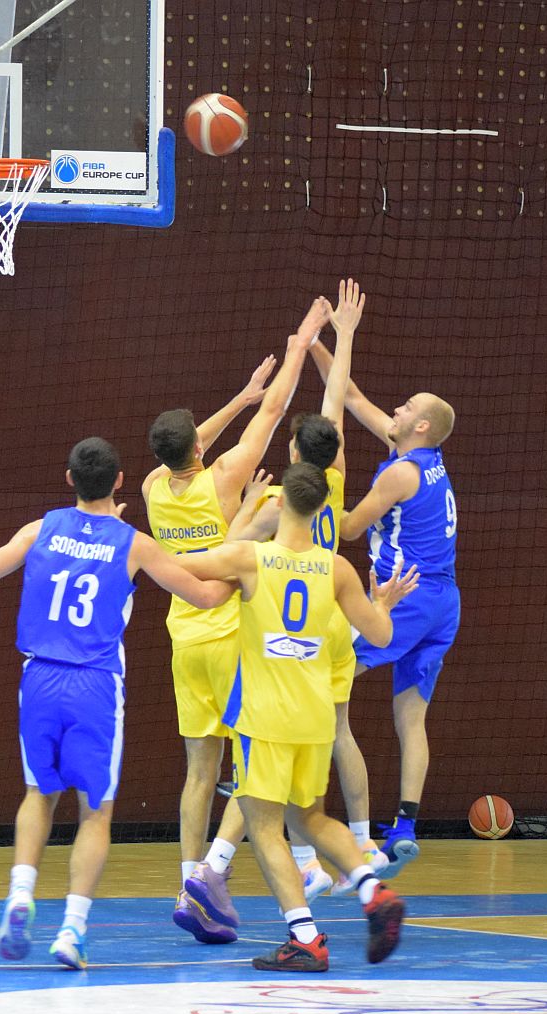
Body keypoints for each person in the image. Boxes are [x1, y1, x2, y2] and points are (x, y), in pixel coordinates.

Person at [0, 437, 232, 970]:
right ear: (120, 482)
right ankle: (72, 930)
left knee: (39, 794)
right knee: (95, 812)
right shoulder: (134, 544)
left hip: (39, 679)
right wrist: (248, 565)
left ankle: (19, 895)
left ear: (69, 479)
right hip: (95, 686)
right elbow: (205, 595)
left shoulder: (40, 530)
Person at [188, 280, 390, 910]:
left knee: (262, 767)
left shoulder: (278, 502)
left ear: (293, 454)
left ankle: (225, 867)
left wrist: (244, 509)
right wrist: (345, 335)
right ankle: (350, 848)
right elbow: (335, 405)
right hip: (334, 622)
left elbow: (226, 554)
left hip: (284, 630)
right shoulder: (334, 482)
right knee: (330, 742)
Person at [178, 462, 417, 971]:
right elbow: (381, 637)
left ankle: (304, 938)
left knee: (264, 827)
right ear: (322, 507)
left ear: (280, 501)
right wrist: (381, 603)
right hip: (315, 716)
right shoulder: (337, 569)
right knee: (308, 817)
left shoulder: (251, 558)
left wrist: (240, 528)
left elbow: (183, 566)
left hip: (265, 716)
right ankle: (373, 890)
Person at [143, 299, 328, 943]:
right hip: (230, 639)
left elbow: (183, 447)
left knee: (199, 773)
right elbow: (275, 413)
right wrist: (298, 348)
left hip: (183, 641)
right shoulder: (224, 478)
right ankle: (237, 873)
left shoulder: (152, 488)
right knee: (255, 775)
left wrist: (239, 399)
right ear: (200, 446)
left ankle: (188, 882)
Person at [308, 340, 460, 877]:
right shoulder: (423, 457)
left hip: (405, 597)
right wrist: (317, 343)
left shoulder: (399, 474)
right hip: (444, 601)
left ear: (421, 426)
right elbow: (350, 396)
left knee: (317, 672)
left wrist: (310, 497)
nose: (396, 408)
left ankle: (333, 826)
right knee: (410, 718)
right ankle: (406, 827)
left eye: (406, 407)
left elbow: (348, 528)